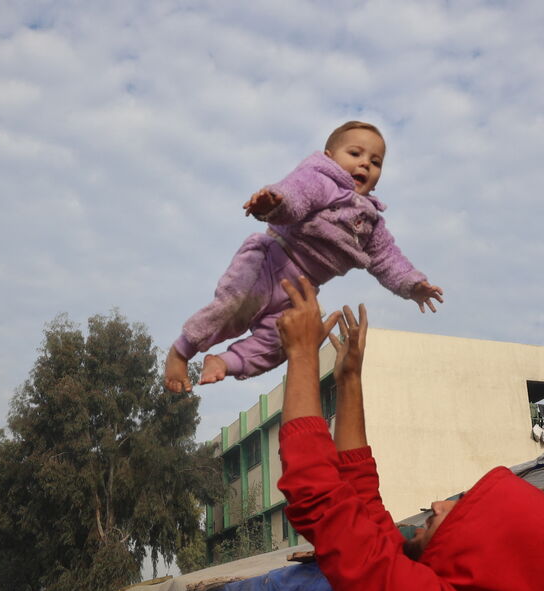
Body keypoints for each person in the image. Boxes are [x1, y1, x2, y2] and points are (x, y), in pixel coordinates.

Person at [272, 277, 544, 591]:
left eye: (456, 513)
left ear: (479, 552)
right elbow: (362, 500)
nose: (437, 505)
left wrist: (302, 356)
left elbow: (319, 497)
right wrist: (349, 380)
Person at [164, 120, 444, 392]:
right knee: (231, 309)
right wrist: (273, 203)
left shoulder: (371, 223)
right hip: (269, 262)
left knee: (286, 340)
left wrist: (413, 285)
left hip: (301, 291)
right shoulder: (322, 181)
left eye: (376, 161)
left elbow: (387, 259)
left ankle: (226, 362)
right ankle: (181, 351)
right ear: (330, 158)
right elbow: (296, 196)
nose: (365, 164)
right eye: (355, 153)